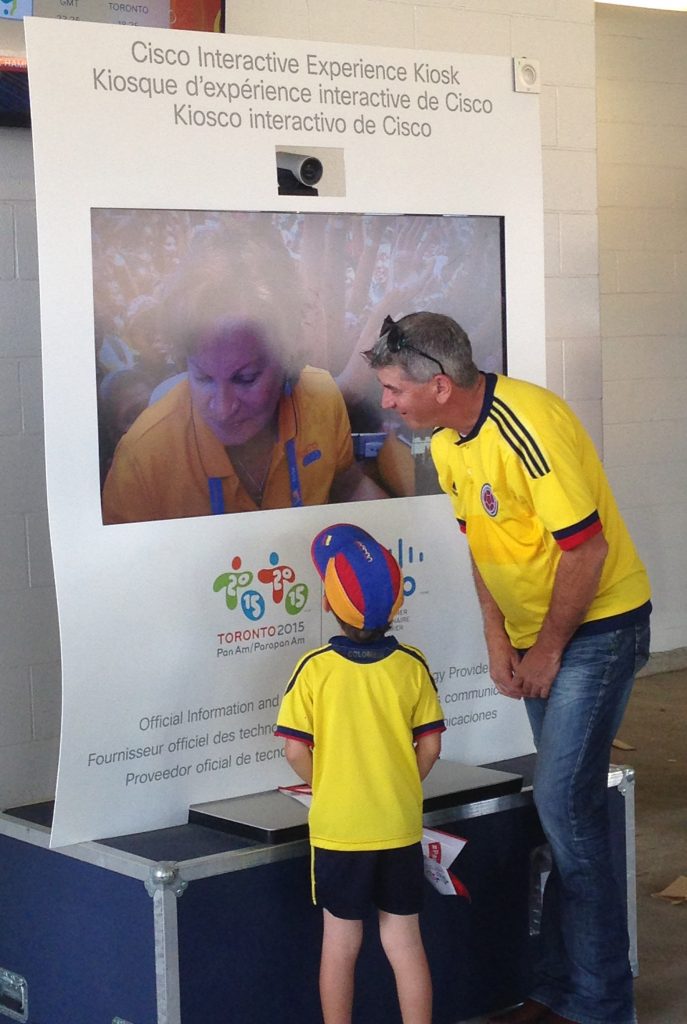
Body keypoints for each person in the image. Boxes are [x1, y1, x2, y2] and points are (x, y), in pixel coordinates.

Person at [364, 312, 651, 1024]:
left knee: (563, 808)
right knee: (563, 814)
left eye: (394, 389)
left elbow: (584, 551)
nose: (386, 403)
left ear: (438, 384)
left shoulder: (529, 426)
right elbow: (482, 545)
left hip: (597, 629)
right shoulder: (447, 442)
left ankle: (600, 1004)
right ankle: (559, 990)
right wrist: (498, 641)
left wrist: (547, 647)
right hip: (538, 635)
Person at [275, 523, 445, 1024]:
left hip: (339, 830)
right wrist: (402, 785)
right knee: (404, 939)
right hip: (397, 824)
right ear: (397, 606)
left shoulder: (313, 669)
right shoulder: (412, 666)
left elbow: (292, 752)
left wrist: (326, 785)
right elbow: (430, 746)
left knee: (340, 942)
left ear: (327, 605)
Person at [101, 226, 385, 525]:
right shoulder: (142, 456)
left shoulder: (322, 398)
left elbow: (347, 483)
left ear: (287, 357)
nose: (222, 409)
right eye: (203, 378)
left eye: (245, 378)